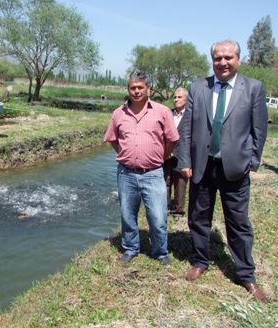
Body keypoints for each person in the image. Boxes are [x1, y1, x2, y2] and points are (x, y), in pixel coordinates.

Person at [177, 40, 269, 302]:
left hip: (235, 169)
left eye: (228, 57)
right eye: (217, 58)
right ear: (212, 60)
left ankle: (246, 275)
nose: (222, 63)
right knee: (198, 217)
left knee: (239, 223)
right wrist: (185, 160)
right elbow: (186, 130)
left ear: (238, 59)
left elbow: (259, 131)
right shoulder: (198, 88)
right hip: (202, 166)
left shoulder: (252, 88)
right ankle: (199, 261)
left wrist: (251, 161)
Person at [104, 70, 179, 265]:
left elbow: (172, 139)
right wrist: (125, 153)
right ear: (128, 89)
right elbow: (112, 138)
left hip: (153, 173)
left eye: (140, 87)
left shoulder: (162, 111)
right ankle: (130, 248)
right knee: (128, 214)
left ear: (149, 88)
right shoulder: (118, 113)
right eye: (132, 88)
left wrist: (160, 156)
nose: (136, 91)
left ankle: (160, 251)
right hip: (126, 173)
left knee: (158, 216)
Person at [164, 87, 189, 216]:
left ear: (187, 99)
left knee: (180, 184)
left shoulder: (191, 115)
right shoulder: (169, 113)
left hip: (182, 156)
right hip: (166, 155)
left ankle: (179, 210)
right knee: (165, 181)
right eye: (174, 97)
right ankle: (165, 207)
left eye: (179, 97)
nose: (176, 100)